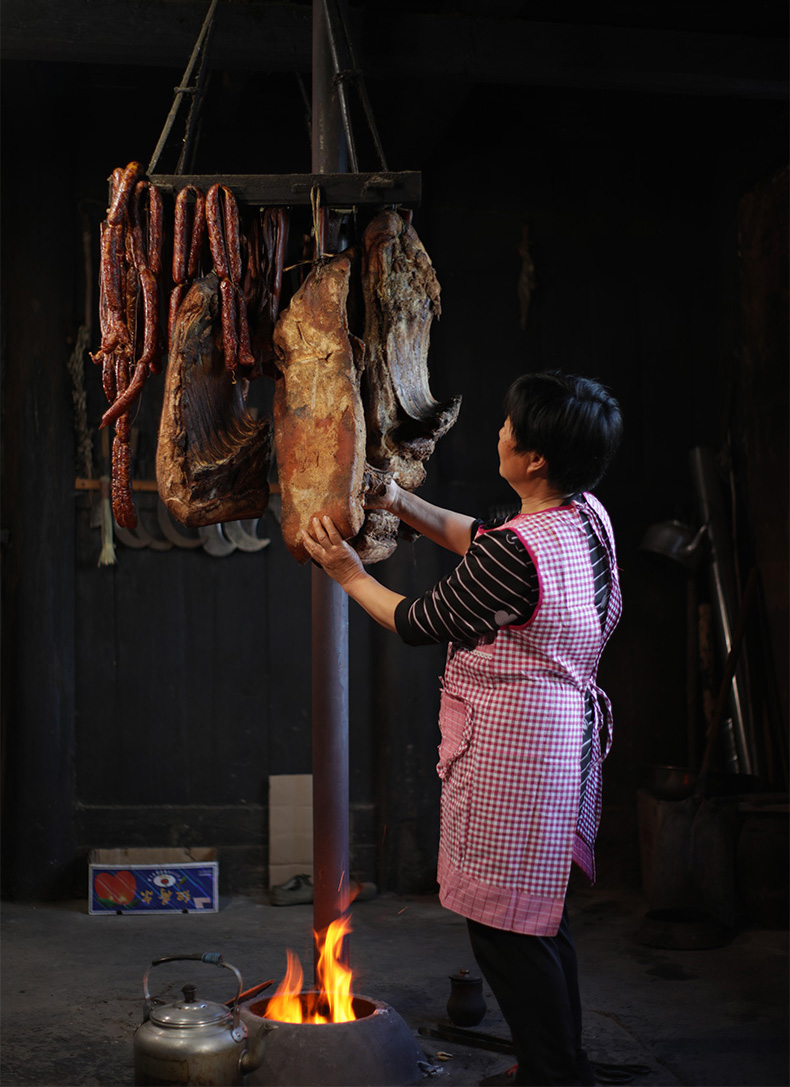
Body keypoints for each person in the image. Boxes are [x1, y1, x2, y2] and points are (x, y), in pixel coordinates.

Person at [302, 370, 623, 1087]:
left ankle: (553, 1077)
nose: (501, 433)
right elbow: (484, 542)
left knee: (509, 935)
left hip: (516, 755)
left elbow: (420, 620)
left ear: (535, 457)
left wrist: (346, 571)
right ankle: (559, 1064)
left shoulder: (520, 551)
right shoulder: (584, 517)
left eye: (512, 427)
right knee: (540, 922)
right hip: (555, 743)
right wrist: (398, 499)